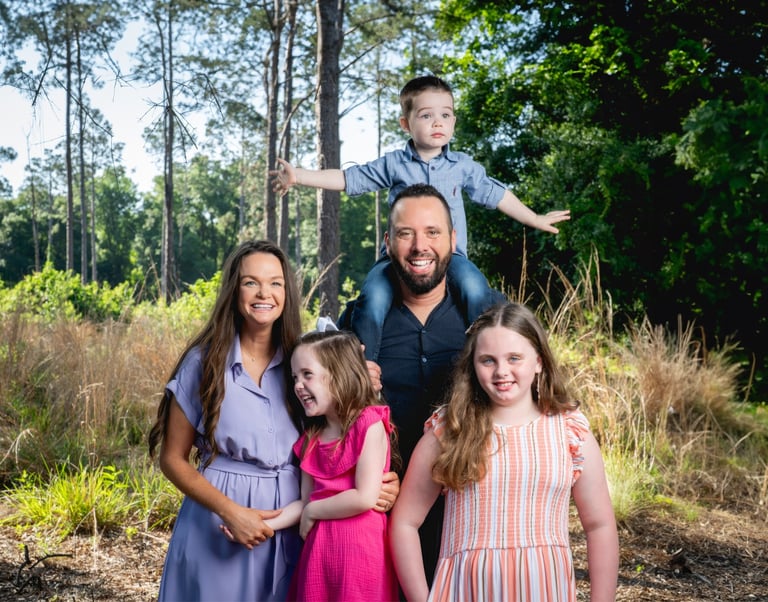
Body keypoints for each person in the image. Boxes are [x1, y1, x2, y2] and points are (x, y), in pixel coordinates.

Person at [147, 240, 398, 602]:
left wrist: (384, 483)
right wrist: (231, 512)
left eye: (276, 283)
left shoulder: (308, 363)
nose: (264, 293)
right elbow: (172, 458)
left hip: (297, 521)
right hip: (222, 520)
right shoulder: (204, 363)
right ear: (233, 290)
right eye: (251, 282)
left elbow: (351, 432)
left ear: (287, 292)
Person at [270, 75, 570, 362]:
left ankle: (483, 353)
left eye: (446, 115)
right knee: (372, 298)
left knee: (477, 289)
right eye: (426, 116)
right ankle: (364, 369)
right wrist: (299, 176)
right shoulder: (394, 164)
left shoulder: (462, 166)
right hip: (396, 261)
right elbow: (350, 178)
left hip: (451, 256)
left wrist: (533, 217)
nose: (438, 122)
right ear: (406, 123)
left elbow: (497, 194)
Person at [389, 302, 619, 602]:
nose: (501, 372)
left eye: (514, 358)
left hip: (545, 592)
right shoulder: (450, 430)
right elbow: (404, 523)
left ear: (538, 361)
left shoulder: (570, 432)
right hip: (466, 592)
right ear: (472, 364)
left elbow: (599, 525)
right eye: (488, 360)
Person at [338, 183, 507, 583]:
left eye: (432, 232)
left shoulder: (494, 319)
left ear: (453, 239)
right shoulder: (355, 329)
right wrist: (358, 482)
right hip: (381, 518)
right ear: (387, 242)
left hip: (474, 519)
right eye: (405, 233)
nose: (419, 246)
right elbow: (323, 423)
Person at [265, 329, 399, 602]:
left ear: (339, 373)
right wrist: (264, 523)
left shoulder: (369, 424)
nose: (298, 385)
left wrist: (314, 511)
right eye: (294, 378)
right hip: (319, 555)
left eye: (307, 374)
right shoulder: (311, 439)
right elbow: (305, 501)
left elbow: (364, 497)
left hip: (359, 554)